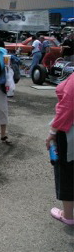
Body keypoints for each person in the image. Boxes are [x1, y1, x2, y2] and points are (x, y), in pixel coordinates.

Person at [46, 73, 74, 225]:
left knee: (66, 170)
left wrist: (52, 132)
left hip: (70, 130)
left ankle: (68, 215)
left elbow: (67, 106)